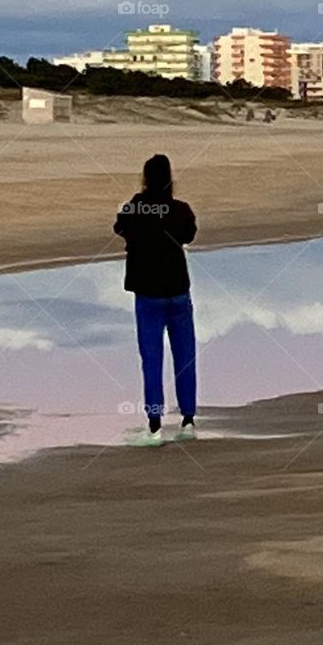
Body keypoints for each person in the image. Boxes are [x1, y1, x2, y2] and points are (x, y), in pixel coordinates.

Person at [114, 154, 197, 442]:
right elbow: (189, 234)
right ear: (170, 179)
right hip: (176, 290)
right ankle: (188, 421)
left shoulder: (135, 207)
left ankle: (154, 424)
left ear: (146, 179)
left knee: (151, 359)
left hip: (148, 293)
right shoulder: (180, 209)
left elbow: (120, 227)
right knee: (185, 356)